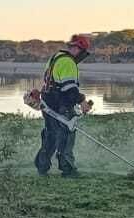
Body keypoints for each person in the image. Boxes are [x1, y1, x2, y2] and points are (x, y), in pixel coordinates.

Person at [30, 34, 94, 177]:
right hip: (61, 106)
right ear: (78, 49)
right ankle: (68, 170)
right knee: (66, 137)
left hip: (48, 104)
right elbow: (70, 89)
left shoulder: (55, 58)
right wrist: (82, 102)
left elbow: (51, 82)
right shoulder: (68, 63)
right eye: (82, 52)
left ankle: (42, 166)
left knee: (50, 136)